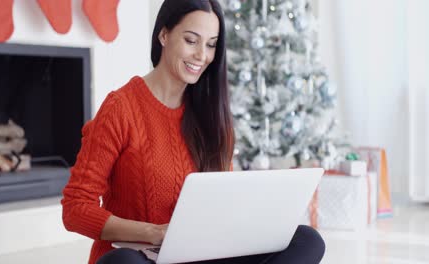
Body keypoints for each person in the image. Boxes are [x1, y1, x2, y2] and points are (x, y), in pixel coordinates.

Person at [61, 0, 325, 263]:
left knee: (306, 240)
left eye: (211, 44)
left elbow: (223, 203)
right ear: (164, 35)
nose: (202, 55)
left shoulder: (212, 114)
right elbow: (75, 208)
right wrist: (153, 233)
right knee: (122, 262)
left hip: (202, 256)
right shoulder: (121, 108)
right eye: (191, 40)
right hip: (142, 257)